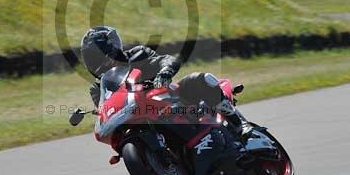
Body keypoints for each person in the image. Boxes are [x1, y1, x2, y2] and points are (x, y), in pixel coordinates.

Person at [80, 26, 248, 131]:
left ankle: (240, 125)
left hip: (171, 100)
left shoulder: (138, 55)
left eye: (100, 55)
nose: (99, 62)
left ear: (113, 48)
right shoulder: (97, 88)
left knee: (201, 79)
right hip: (141, 116)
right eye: (93, 58)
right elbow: (106, 109)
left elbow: (165, 60)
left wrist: (165, 72)